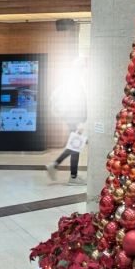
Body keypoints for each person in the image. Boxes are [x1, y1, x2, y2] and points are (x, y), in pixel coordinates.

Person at [46, 57, 88, 186]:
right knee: (75, 146)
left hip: (71, 118)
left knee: (74, 145)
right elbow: (75, 103)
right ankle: (72, 176)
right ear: (77, 67)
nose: (84, 68)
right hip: (74, 118)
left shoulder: (71, 79)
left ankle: (58, 167)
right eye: (83, 66)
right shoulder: (73, 81)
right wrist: (79, 121)